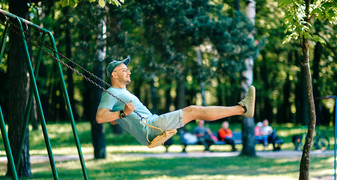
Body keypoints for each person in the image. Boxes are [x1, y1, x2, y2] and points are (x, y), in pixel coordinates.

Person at [96, 56, 256, 146]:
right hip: (153, 126)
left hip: (152, 126)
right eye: (124, 70)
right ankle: (241, 109)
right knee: (194, 110)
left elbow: (113, 121)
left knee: (195, 111)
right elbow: (100, 118)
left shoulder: (121, 93)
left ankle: (241, 109)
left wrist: (122, 116)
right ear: (114, 75)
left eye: (128, 69)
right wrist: (124, 113)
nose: (129, 72)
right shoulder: (111, 92)